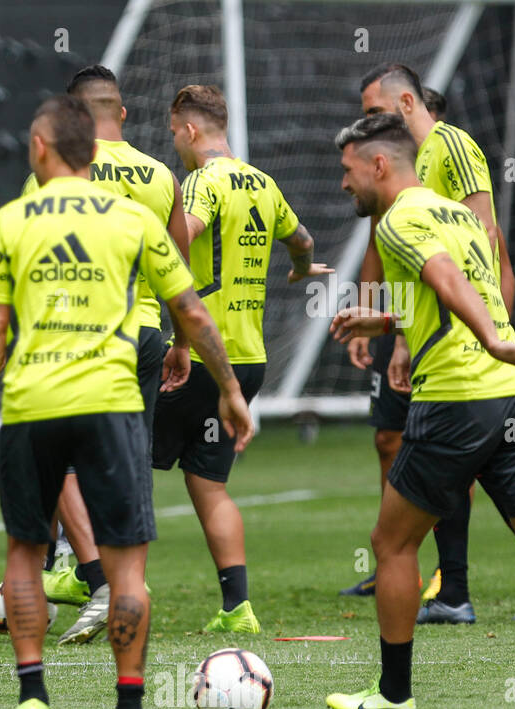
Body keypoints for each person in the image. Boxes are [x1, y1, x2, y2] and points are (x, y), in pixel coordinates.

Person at [0, 95, 253, 709]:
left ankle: (32, 700)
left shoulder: (10, 220)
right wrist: (229, 387)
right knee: (126, 568)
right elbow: (192, 310)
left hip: (34, 406)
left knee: (25, 555)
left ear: (41, 147)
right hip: (114, 402)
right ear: (93, 151)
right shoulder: (130, 218)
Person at [329, 111, 515, 709]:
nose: (344, 184)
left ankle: (395, 697)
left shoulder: (399, 218)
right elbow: (448, 289)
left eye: (348, 171)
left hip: (458, 397)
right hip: (514, 395)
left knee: (391, 542)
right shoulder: (454, 212)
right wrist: (380, 320)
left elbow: (445, 277)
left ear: (379, 165)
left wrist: (492, 339)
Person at [343, 64, 515, 624]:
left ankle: (439, 598)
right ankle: (451, 588)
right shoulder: (404, 171)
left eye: (372, 112)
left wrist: (487, 335)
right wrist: (386, 322)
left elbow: (480, 252)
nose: (367, 124)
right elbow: (404, 252)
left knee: (405, 522)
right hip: (439, 333)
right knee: (409, 450)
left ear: (405, 102)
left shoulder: (449, 146)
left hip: (460, 347)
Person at [20, 64, 193, 643]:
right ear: (121, 112)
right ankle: (127, 590)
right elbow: (180, 269)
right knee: (130, 465)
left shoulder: (52, 176)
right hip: (145, 331)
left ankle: (94, 579)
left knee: (60, 456)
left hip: (76, 335)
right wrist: (182, 342)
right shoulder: (161, 176)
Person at [157, 85, 327, 633]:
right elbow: (301, 238)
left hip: (203, 354)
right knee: (208, 483)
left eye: (174, 135)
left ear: (188, 129)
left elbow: (185, 234)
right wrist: (301, 267)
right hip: (249, 360)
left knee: (114, 456)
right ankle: (238, 608)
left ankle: (92, 580)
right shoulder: (263, 182)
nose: (175, 147)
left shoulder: (203, 182)